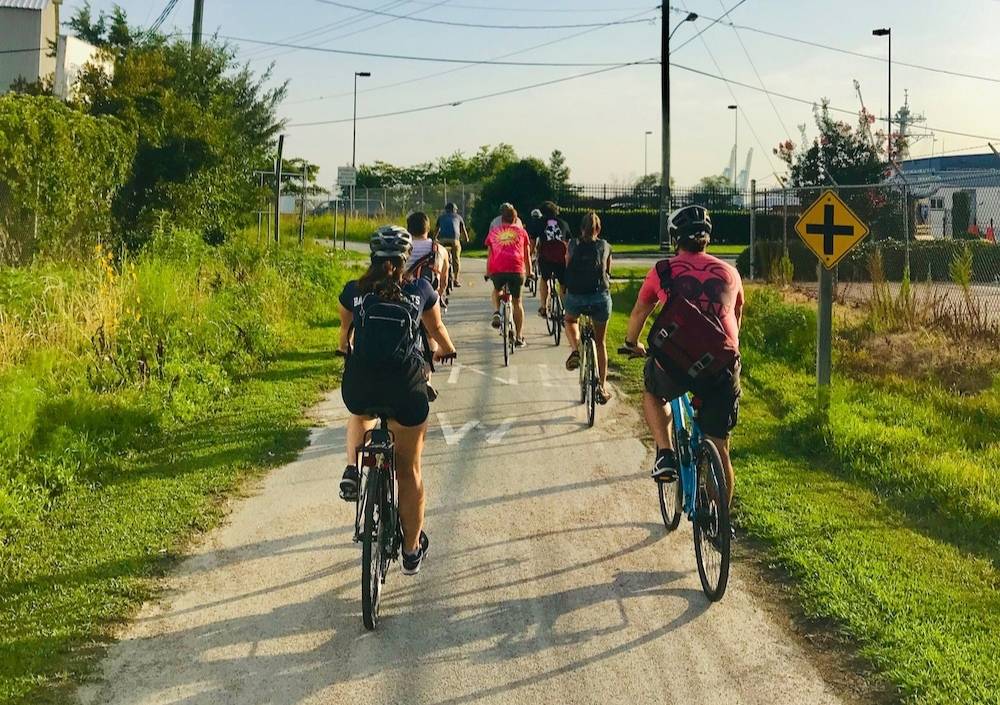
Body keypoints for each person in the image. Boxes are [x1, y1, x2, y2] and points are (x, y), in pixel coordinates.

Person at [337, 226, 457, 575]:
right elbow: (436, 331)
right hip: (405, 389)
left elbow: (344, 334)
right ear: (407, 258)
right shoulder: (420, 289)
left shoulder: (354, 291)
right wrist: (448, 350)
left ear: (372, 256)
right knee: (409, 470)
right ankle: (410, 550)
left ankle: (352, 468)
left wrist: (345, 350)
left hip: (361, 386)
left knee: (360, 414)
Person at [622, 205, 743, 505]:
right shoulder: (731, 273)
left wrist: (631, 343)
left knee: (653, 391)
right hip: (721, 365)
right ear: (708, 237)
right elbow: (737, 315)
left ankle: (665, 453)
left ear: (674, 237)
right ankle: (719, 521)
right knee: (720, 446)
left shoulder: (663, 270)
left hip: (675, 363)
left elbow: (640, 311)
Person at [563, 211, 613, 404]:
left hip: (576, 296)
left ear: (581, 228)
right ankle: (602, 387)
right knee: (600, 343)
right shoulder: (605, 245)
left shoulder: (572, 244)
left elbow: (568, 267)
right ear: (598, 229)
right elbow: (608, 272)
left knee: (570, 320)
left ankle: (576, 349)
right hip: (600, 297)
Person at [485, 203, 533, 346]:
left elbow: (490, 254)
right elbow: (526, 255)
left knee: (497, 290)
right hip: (516, 269)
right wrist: (529, 272)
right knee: (517, 301)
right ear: (515, 219)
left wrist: (488, 272)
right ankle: (519, 336)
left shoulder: (494, 232)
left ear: (502, 218)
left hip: (498, 269)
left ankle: (496, 312)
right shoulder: (522, 232)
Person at [533, 201, 572, 321]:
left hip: (546, 259)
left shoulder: (540, 223)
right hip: (561, 259)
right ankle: (565, 309)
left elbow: (533, 239)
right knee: (563, 283)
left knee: (544, 279)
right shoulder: (564, 223)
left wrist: (532, 253)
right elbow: (568, 242)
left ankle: (544, 307)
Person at [435, 202, 469, 287]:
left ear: (446, 210)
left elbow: (437, 230)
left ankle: (439, 277)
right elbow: (463, 230)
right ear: (455, 210)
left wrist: (434, 239)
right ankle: (456, 280)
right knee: (456, 259)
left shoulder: (441, 217)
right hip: (454, 240)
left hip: (442, 240)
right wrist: (466, 239)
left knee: (440, 258)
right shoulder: (458, 217)